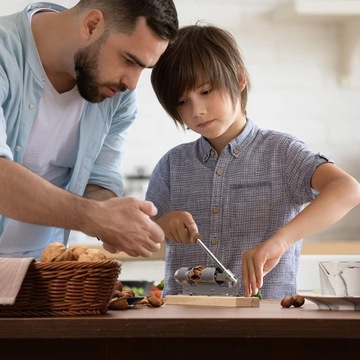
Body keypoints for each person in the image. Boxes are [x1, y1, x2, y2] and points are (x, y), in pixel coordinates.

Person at [146, 23, 360, 299]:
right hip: (184, 325)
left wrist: (281, 241)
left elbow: (347, 189)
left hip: (266, 324)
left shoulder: (281, 153)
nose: (196, 110)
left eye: (206, 91)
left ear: (238, 79)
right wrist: (163, 224)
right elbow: (142, 235)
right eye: (182, 101)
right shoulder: (172, 165)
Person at [0, 0, 178, 260]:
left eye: (143, 68)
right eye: (129, 60)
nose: (132, 82)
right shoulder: (5, 53)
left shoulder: (118, 98)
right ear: (92, 25)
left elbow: (99, 182)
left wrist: (117, 217)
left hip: (39, 277)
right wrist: (91, 216)